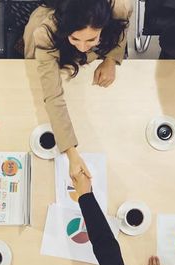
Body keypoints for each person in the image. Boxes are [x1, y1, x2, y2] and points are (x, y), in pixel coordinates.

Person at [23, 0, 132, 180]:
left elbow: (121, 28)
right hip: (56, 52)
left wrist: (111, 59)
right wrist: (71, 154)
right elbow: (53, 95)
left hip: (91, 59)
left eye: (91, 38)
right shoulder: (44, 32)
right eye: (75, 38)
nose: (82, 46)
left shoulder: (120, 6)